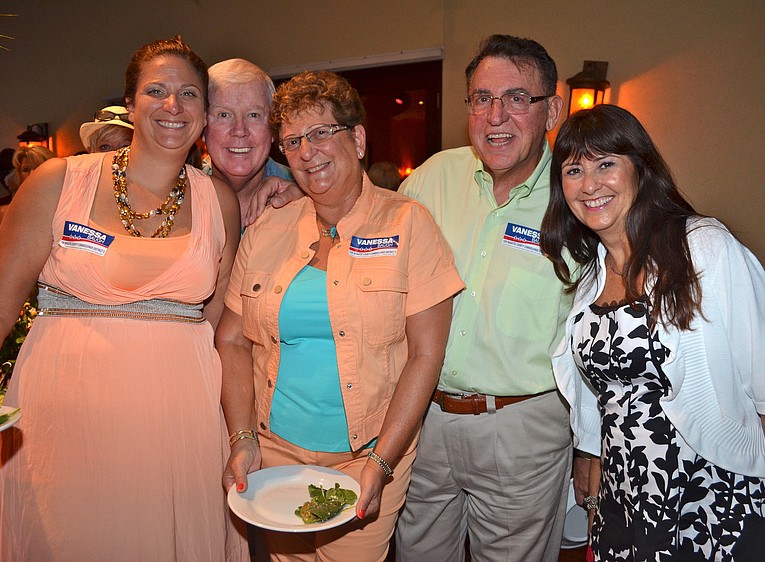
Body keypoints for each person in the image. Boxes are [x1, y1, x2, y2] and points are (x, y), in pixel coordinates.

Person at [0, 36, 247, 561]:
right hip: (63, 418)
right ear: (130, 105)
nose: (173, 106)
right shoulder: (58, 182)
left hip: (181, 421)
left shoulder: (219, 202)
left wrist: (240, 433)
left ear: (204, 113)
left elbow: (221, 331)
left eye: (189, 94)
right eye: (157, 91)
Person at [541, 104, 765, 561]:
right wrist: (592, 493)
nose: (590, 185)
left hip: (714, 495)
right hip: (625, 503)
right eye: (574, 170)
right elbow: (596, 405)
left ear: (641, 169)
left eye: (606, 164)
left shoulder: (703, 248)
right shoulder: (590, 277)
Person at [218, 70, 464, 562]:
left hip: (364, 458)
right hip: (276, 455)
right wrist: (242, 437)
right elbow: (232, 340)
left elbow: (425, 355)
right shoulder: (267, 230)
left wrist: (381, 461)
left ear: (357, 138)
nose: (307, 152)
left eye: (320, 133)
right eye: (292, 141)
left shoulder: (409, 223)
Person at [394, 34, 577, 562]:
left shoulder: (578, 194)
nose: (496, 116)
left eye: (518, 98)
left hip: (522, 427)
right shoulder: (432, 178)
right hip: (422, 421)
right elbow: (364, 230)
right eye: (481, 98)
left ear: (552, 109)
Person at [204, 58, 296, 227]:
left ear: (273, 129)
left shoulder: (305, 193)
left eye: (254, 115)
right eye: (224, 115)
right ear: (202, 128)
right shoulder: (179, 195)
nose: (239, 130)